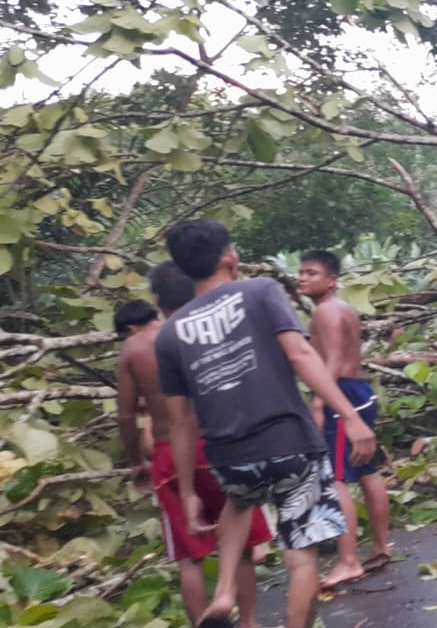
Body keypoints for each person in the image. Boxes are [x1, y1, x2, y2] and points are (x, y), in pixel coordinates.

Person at [156, 219, 376, 628]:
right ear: (229, 256)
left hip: (229, 454)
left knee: (240, 502)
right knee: (302, 554)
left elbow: (180, 421)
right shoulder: (260, 291)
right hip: (289, 440)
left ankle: (224, 594)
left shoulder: (169, 334)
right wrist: (350, 417)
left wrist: (187, 492)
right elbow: (300, 356)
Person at [115, 266, 274, 628]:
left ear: (157, 299)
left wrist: (135, 461)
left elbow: (125, 415)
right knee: (242, 547)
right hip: (221, 443)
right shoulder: (204, 330)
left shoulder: (133, 348)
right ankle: (249, 623)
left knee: (190, 557)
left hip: (171, 453)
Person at [295, 250, 392, 589]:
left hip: (340, 395)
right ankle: (381, 546)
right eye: (301, 272)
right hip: (360, 391)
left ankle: (349, 561)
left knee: (337, 478)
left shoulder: (326, 311)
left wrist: (319, 401)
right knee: (367, 471)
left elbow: (334, 359)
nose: (302, 278)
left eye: (311, 273)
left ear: (332, 280)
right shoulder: (342, 308)